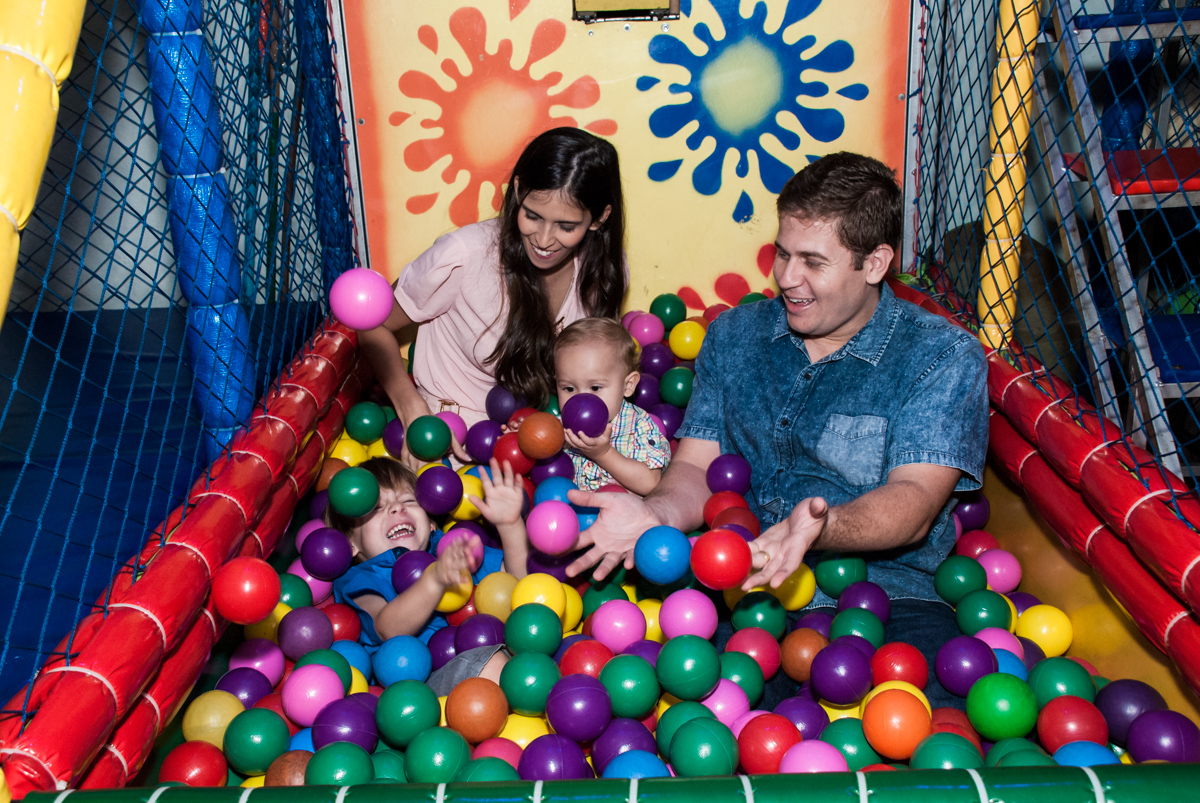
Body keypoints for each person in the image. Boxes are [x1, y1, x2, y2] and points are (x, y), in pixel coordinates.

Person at [565, 152, 988, 709]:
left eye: (813, 261)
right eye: (783, 253)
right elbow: (694, 467)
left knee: (936, 720)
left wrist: (818, 527)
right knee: (682, 715)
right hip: (741, 584)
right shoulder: (734, 336)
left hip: (886, 596)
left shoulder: (941, 356)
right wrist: (656, 514)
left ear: (875, 263)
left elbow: (914, 501)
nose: (787, 278)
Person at [356, 127, 627, 467]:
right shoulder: (463, 255)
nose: (544, 239)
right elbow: (372, 324)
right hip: (450, 439)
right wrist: (411, 408)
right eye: (532, 216)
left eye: (565, 226)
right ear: (518, 190)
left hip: (544, 437)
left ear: (599, 218)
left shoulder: (602, 273)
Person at [329, 456, 530, 690]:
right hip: (423, 689)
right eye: (376, 508)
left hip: (508, 653)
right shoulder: (360, 579)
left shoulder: (453, 549)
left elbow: (521, 585)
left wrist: (510, 526)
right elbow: (387, 628)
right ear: (350, 544)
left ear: (431, 522)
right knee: (496, 666)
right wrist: (434, 580)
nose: (397, 508)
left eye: (408, 500)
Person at [554, 318, 671, 495]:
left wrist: (603, 453)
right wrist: (524, 435)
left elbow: (650, 483)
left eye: (595, 387)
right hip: (566, 508)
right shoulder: (558, 426)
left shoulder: (639, 426)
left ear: (628, 385)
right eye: (569, 388)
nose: (581, 400)